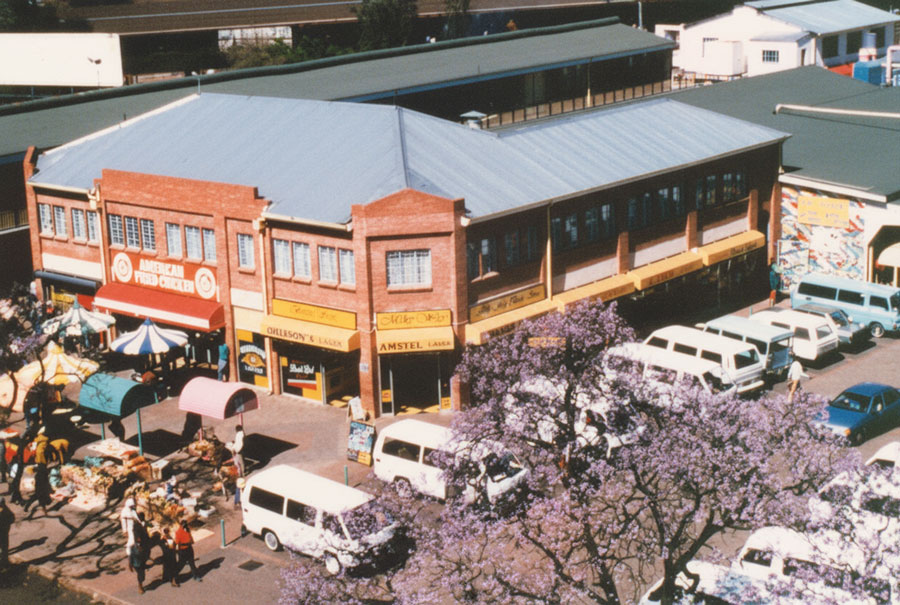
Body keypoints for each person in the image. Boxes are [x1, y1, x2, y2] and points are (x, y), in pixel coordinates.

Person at [120, 497, 139, 562]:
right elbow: (123, 522)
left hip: (135, 527)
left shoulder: (133, 511)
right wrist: (125, 530)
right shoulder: (124, 511)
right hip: (130, 528)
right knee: (132, 542)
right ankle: (131, 556)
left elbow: (137, 518)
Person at [0, 497, 14, 568]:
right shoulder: (6, 510)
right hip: (3, 532)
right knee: (4, 548)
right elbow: (12, 518)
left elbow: (12, 518)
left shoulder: (5, 510)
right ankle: (4, 562)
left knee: (4, 548)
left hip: (3, 532)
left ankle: (4, 562)